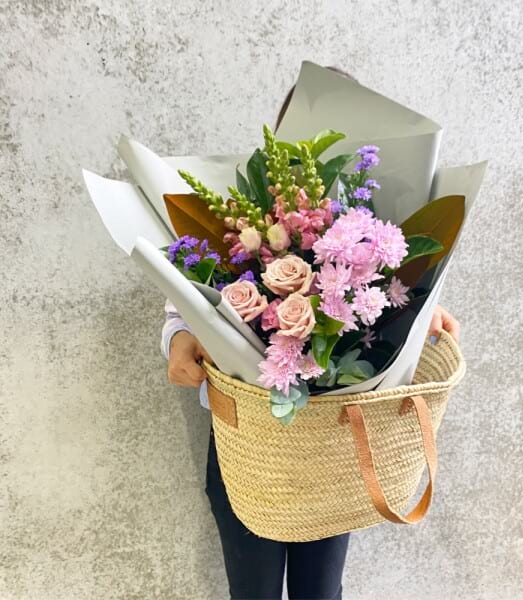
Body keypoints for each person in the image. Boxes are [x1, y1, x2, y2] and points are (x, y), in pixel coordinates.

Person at [161, 69, 461, 600]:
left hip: (334, 443)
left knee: (321, 593)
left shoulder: (363, 219)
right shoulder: (245, 212)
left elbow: (393, 294)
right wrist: (178, 339)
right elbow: (188, 294)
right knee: (251, 591)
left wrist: (422, 315)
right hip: (248, 442)